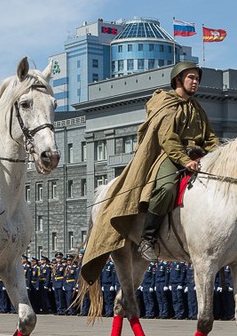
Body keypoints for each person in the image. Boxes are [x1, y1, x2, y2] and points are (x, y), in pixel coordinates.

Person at [81, 62, 219, 282]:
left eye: (197, 78)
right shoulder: (164, 102)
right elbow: (167, 138)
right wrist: (184, 160)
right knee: (165, 188)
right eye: (191, 77)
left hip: (198, 156)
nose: (196, 82)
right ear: (178, 80)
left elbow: (210, 137)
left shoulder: (196, 108)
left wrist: (220, 154)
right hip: (171, 156)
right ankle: (147, 238)